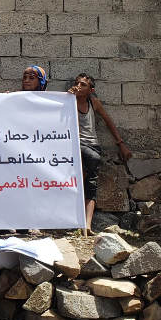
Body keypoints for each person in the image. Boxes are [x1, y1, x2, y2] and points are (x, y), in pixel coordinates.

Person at [68, 73, 132, 235]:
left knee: (91, 183)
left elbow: (108, 122)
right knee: (83, 173)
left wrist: (121, 144)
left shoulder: (93, 103)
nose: (79, 86)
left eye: (83, 85)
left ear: (91, 90)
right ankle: (74, 220)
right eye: (77, 83)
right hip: (76, 146)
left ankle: (86, 225)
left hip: (93, 146)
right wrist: (68, 98)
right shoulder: (69, 100)